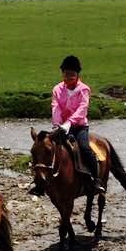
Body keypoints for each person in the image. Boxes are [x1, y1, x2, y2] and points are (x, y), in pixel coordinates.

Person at [51, 54, 102, 192]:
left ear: (77, 75)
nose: (69, 78)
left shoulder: (83, 90)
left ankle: (96, 179)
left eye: (72, 75)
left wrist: (69, 123)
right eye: (66, 74)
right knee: (47, 148)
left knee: (85, 148)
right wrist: (57, 125)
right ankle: (42, 181)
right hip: (61, 127)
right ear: (63, 74)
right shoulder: (57, 89)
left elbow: (82, 109)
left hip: (79, 127)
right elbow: (56, 107)